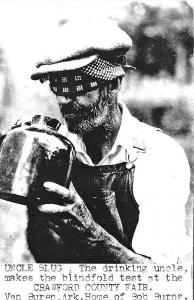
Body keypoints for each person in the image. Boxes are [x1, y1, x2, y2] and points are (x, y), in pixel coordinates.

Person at [26, 19, 190, 263]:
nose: (63, 101)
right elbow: (44, 254)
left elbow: (161, 282)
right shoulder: (56, 149)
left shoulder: (159, 157)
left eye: (76, 86)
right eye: (58, 88)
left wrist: (90, 233)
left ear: (113, 84)